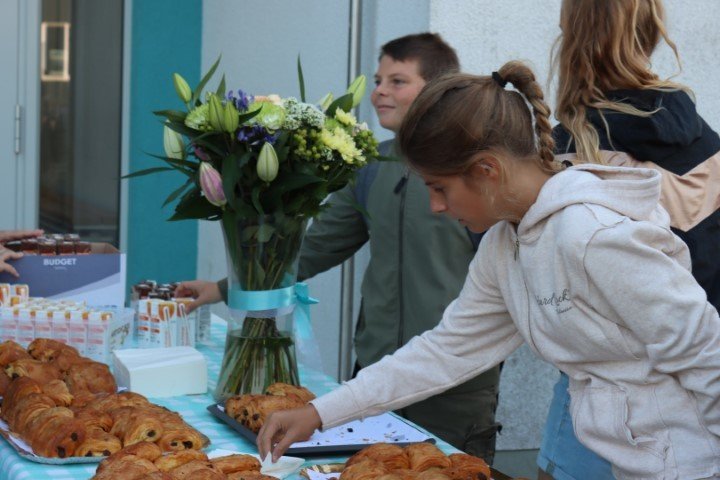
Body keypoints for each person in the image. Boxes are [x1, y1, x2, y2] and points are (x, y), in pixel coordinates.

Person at [256, 61, 720, 480]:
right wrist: (320, 413)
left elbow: (707, 357)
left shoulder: (593, 236)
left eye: (439, 189)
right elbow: (447, 350)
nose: (436, 207)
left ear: (487, 170)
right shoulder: (505, 244)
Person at [177, 33, 502, 462]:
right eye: (378, 79)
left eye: (398, 81)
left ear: (437, 91)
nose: (380, 91)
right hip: (375, 374)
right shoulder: (369, 169)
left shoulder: (475, 176)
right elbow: (314, 248)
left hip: (454, 388)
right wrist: (221, 289)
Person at [538, 1, 720, 478]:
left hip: (598, 408)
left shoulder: (568, 157)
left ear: (569, 37)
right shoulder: (709, 147)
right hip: (699, 411)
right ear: (651, 33)